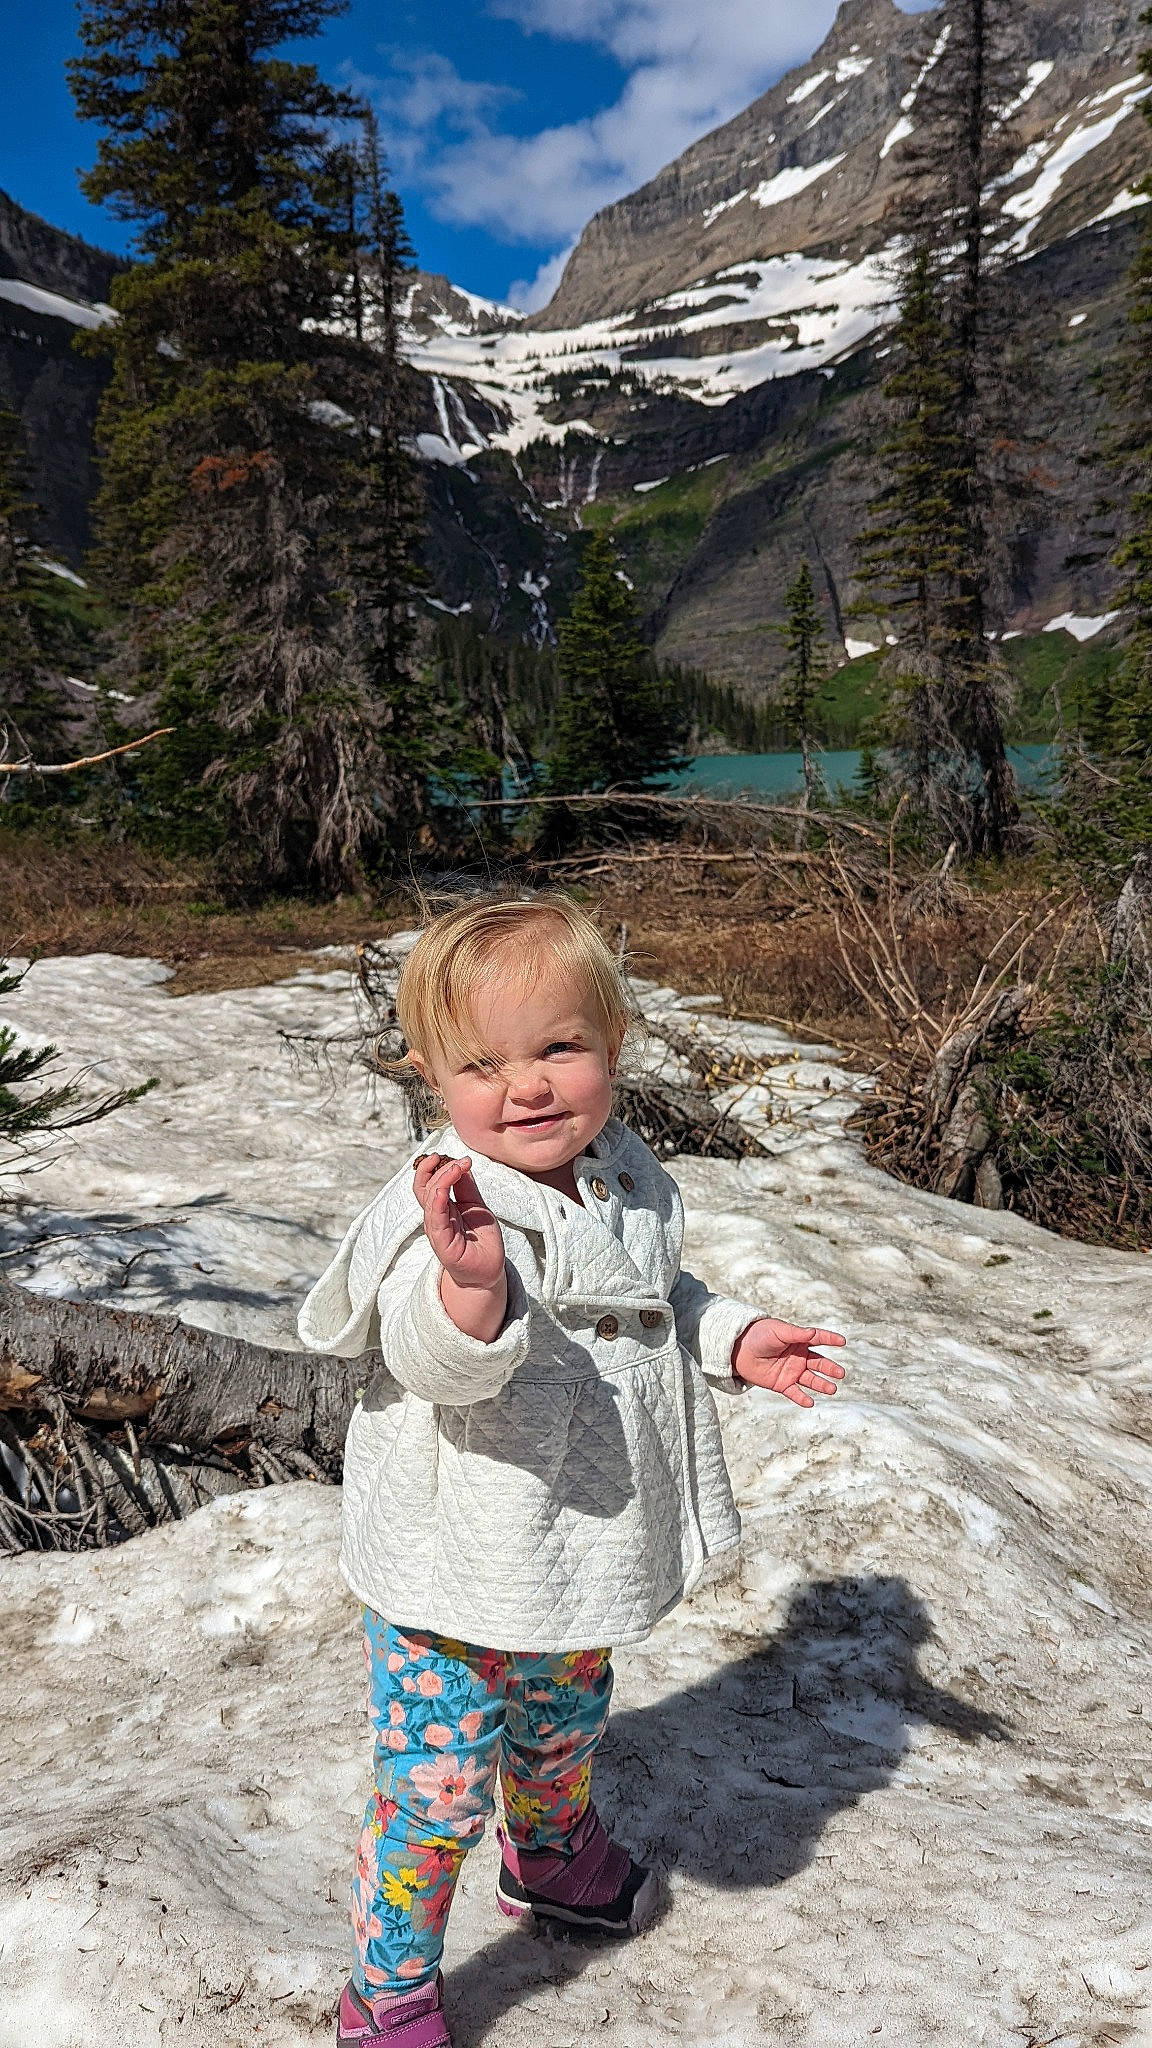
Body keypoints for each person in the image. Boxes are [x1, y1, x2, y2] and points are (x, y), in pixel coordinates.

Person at [298, 894, 846, 2048]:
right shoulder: (444, 1209)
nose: (528, 1086)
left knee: (564, 1716)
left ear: (614, 1043)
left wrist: (733, 1337)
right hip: (456, 1568)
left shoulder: (624, 1173)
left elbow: (655, 1296)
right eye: (484, 1062)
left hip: (577, 1538)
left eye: (559, 1046)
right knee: (437, 1788)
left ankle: (551, 1853)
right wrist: (471, 1290)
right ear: (432, 1073)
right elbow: (422, 1357)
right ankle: (388, 1984)